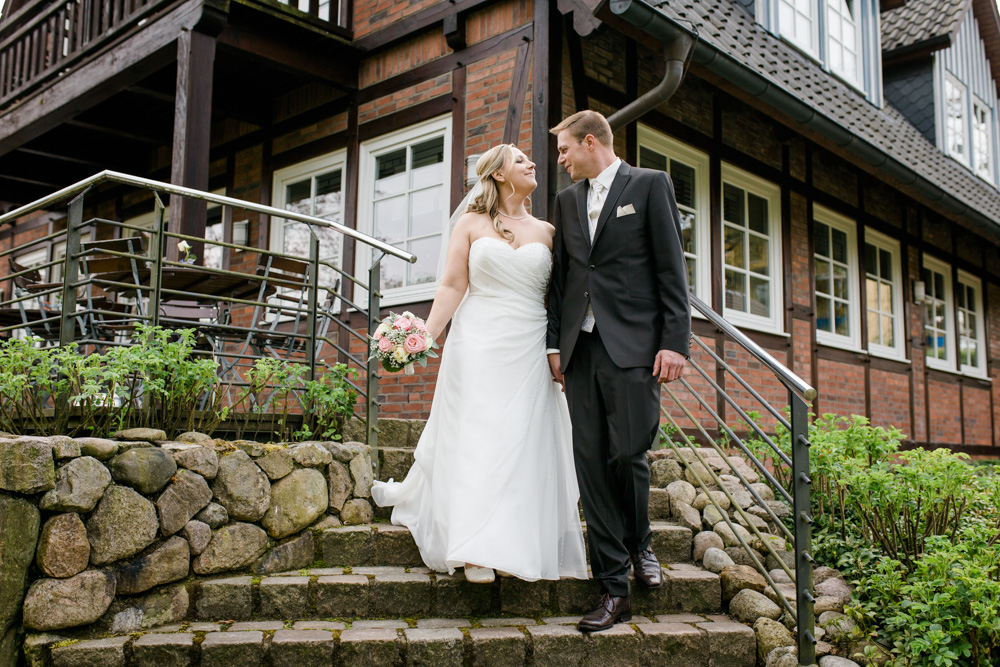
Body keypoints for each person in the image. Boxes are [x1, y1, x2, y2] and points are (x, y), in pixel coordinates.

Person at [371, 144, 589, 585]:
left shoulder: (549, 231)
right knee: (478, 435)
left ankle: (512, 539)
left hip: (528, 342)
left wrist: (560, 350)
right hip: (476, 340)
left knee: (520, 439)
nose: (533, 163)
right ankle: (473, 549)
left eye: (533, 158)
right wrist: (422, 337)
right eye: (522, 159)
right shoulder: (471, 224)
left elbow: (561, 298)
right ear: (500, 174)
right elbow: (453, 285)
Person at [546, 110, 691, 632]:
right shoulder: (566, 202)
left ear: (591, 142)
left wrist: (675, 342)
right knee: (590, 463)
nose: (560, 160)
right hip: (579, 350)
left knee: (628, 452)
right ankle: (612, 585)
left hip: (634, 347)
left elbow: (671, 268)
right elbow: (562, 279)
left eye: (565, 150)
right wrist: (553, 346)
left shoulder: (649, 185)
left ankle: (641, 546)